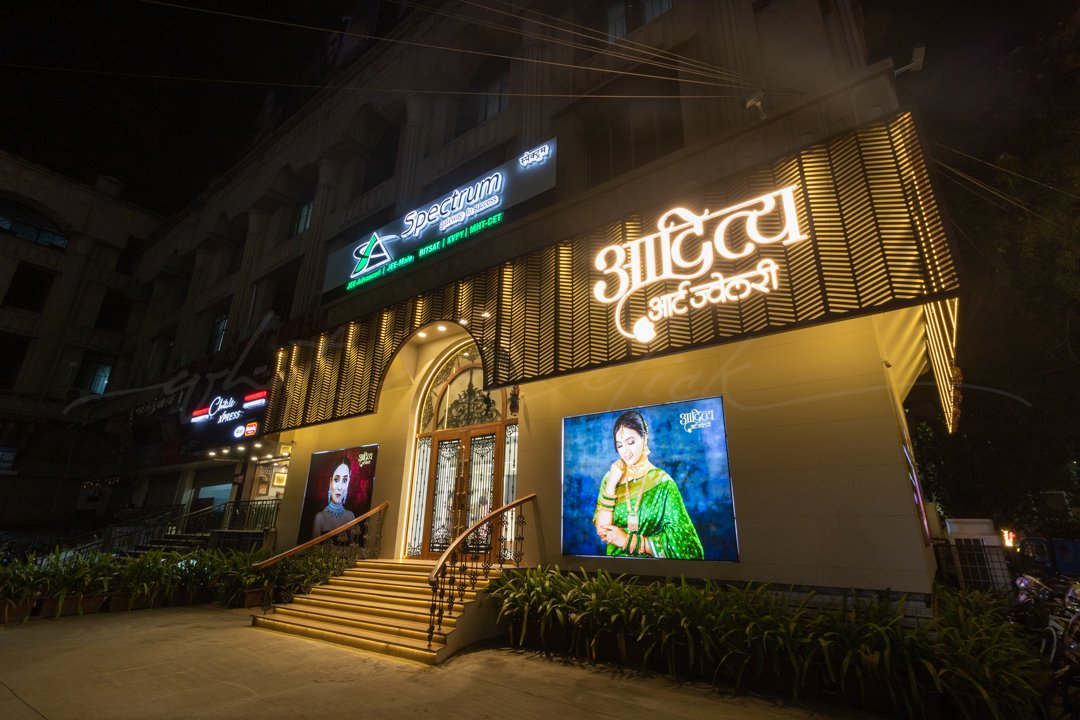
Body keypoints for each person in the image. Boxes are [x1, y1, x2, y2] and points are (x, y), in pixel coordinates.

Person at [593, 410, 703, 559]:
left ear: (644, 439)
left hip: (654, 570)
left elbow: (686, 545)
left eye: (631, 442)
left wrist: (628, 541)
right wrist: (612, 483)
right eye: (619, 445)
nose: (625, 452)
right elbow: (602, 530)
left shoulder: (663, 483)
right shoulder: (611, 477)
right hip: (614, 569)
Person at [312, 458, 356, 537]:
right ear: (330, 482)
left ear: (348, 483)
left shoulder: (350, 516)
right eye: (336, 480)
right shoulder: (320, 518)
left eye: (344, 480)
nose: (340, 487)